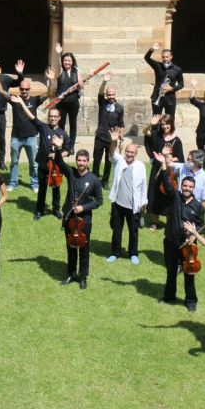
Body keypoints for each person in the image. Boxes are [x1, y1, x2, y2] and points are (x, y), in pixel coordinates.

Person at [158, 157, 205, 311]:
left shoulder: (198, 206)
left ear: (194, 188)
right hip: (171, 242)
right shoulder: (175, 197)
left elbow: (201, 224)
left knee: (189, 274)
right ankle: (169, 297)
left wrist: (194, 235)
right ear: (181, 186)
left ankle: (191, 302)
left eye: (190, 187)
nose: (186, 188)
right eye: (184, 186)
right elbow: (166, 181)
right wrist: (164, 164)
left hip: (188, 246)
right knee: (171, 272)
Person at [60, 149, 103, 290]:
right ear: (76, 161)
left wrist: (83, 208)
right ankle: (71, 274)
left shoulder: (94, 180)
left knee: (84, 249)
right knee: (71, 247)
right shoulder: (71, 173)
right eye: (79, 160)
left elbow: (99, 201)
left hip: (85, 220)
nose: (81, 163)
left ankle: (83, 276)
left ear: (88, 162)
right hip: (69, 218)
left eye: (84, 161)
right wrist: (60, 148)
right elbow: (59, 162)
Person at [7, 68, 51, 192]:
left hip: (31, 137)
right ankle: (13, 182)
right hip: (16, 137)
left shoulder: (35, 100)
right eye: (22, 89)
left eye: (27, 89)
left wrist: (51, 80)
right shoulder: (14, 99)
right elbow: (0, 91)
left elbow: (50, 93)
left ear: (30, 89)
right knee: (14, 162)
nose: (24, 91)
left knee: (34, 163)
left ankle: (35, 183)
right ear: (19, 89)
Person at [107, 140, 147, 265]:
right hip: (118, 204)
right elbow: (112, 152)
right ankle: (115, 253)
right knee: (117, 230)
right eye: (128, 151)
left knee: (133, 231)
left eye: (132, 152)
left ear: (136, 153)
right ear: (125, 152)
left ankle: (133, 253)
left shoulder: (140, 166)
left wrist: (143, 202)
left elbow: (143, 185)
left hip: (133, 206)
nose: (129, 154)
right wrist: (113, 141)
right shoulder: (119, 161)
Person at [143, 114, 184, 230]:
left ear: (171, 124)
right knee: (154, 193)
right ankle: (155, 221)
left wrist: (168, 157)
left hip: (169, 171)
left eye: (167, 124)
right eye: (163, 124)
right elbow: (145, 132)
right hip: (157, 168)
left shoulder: (177, 141)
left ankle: (170, 221)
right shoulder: (157, 135)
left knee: (168, 194)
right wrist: (151, 124)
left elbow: (180, 158)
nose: (165, 126)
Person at [93, 72, 125, 188]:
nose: (111, 96)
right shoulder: (102, 103)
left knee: (109, 161)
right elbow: (100, 92)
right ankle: (95, 180)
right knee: (96, 160)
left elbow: (121, 124)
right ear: (107, 95)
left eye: (113, 94)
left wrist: (122, 138)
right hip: (100, 137)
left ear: (115, 94)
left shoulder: (119, 108)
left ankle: (105, 181)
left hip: (112, 139)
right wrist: (104, 81)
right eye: (109, 94)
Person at [54, 44, 83, 144]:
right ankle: (61, 143)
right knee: (61, 123)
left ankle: (71, 145)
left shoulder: (76, 71)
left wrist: (79, 84)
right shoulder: (60, 70)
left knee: (73, 124)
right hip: (61, 102)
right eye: (65, 60)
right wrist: (58, 54)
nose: (67, 62)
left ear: (72, 62)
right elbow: (58, 64)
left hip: (73, 102)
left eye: (69, 60)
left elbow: (81, 85)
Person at [144, 41, 183, 116]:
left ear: (171, 57)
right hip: (157, 96)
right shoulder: (158, 66)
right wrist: (152, 49)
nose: (165, 59)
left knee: (170, 120)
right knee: (156, 119)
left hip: (170, 98)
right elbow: (147, 58)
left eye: (167, 57)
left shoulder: (177, 69)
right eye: (163, 57)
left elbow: (181, 84)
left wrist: (172, 88)